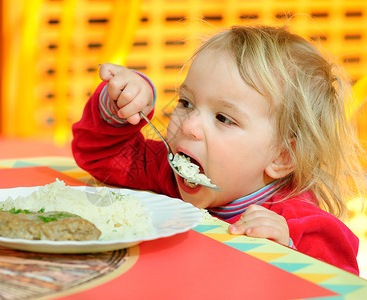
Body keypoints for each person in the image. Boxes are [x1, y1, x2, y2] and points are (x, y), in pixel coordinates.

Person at [72, 25, 366, 275]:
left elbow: (340, 285)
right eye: (186, 103)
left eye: (224, 118)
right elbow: (103, 157)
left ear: (282, 157)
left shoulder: (304, 227)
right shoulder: (165, 173)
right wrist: (120, 105)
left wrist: (287, 255)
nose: (188, 126)